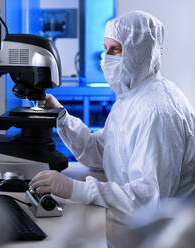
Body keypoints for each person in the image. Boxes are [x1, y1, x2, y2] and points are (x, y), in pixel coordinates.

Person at [29, 10, 195, 247]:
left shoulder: (157, 111)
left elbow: (147, 201)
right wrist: (61, 117)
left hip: (161, 236)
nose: (106, 58)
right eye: (105, 49)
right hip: (134, 222)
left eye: (115, 50)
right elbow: (102, 151)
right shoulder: (131, 97)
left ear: (140, 52)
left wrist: (76, 189)